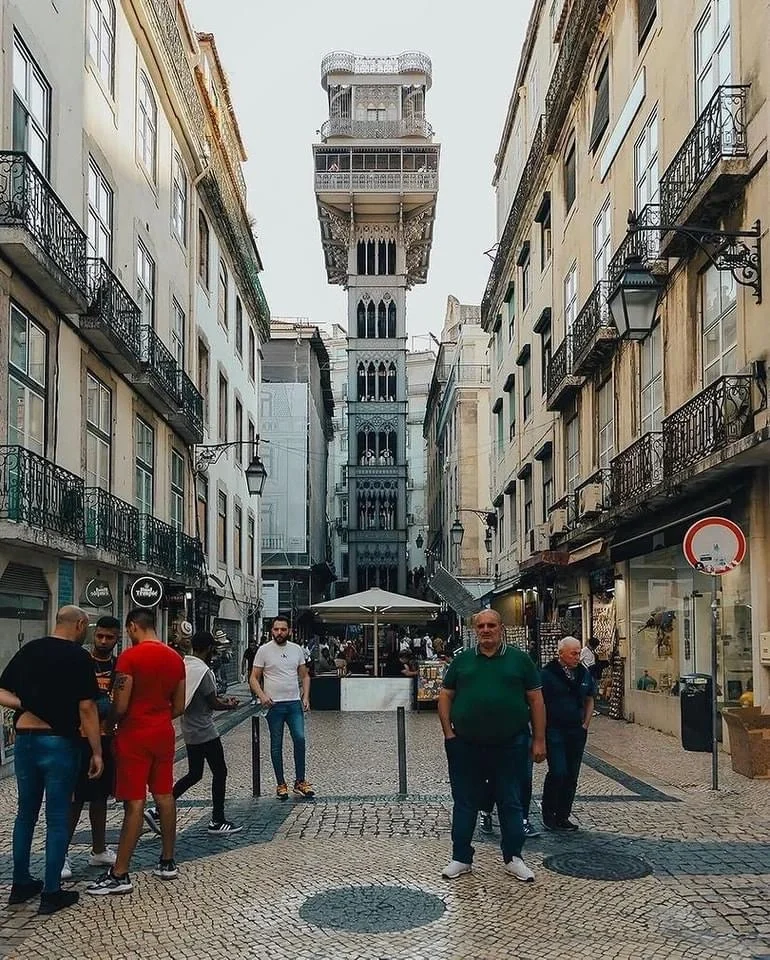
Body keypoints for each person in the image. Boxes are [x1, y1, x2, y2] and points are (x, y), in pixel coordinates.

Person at [0, 606, 102, 915]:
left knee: (25, 815)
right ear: (80, 624)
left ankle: (20, 885)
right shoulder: (79, 658)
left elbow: (2, 691)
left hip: (25, 741)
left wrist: (27, 703)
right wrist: (97, 751)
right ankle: (51, 892)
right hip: (59, 743)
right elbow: (87, 708)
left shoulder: (29, 650)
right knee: (57, 818)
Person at [438, 609, 545, 883]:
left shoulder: (520, 660)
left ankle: (513, 857)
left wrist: (539, 740)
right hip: (466, 745)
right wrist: (449, 733)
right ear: (475, 630)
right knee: (464, 802)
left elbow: (536, 700)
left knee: (510, 801)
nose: (486, 630)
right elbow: (446, 696)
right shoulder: (462, 661)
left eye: (491, 625)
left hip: (510, 745)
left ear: (501, 628)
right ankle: (461, 858)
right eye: (481, 626)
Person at [86, 608, 185, 896]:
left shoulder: (130, 657)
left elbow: (120, 701)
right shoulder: (175, 658)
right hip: (163, 732)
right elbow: (179, 704)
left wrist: (112, 723)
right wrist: (161, 716)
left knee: (135, 802)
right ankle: (167, 861)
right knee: (164, 795)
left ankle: (120, 873)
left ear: (131, 627)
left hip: (134, 734)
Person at [145, 631, 241, 836]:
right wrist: (229, 705)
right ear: (209, 648)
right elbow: (212, 702)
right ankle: (217, 820)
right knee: (220, 772)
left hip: (189, 729)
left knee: (195, 773)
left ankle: (156, 810)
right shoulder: (204, 672)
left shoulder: (185, 665)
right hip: (205, 730)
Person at [63, 616, 122, 881]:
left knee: (100, 797)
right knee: (75, 798)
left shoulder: (118, 666)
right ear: (92, 635)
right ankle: (60, 853)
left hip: (106, 737)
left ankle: (98, 849)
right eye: (99, 636)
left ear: (117, 638)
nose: (103, 641)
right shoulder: (81, 661)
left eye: (109, 637)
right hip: (79, 738)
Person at [249, 616, 314, 800]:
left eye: (283, 629)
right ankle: (281, 783)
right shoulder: (264, 650)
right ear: (272, 631)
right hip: (274, 705)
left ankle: (300, 781)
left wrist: (306, 696)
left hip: (293, 703)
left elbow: (305, 676)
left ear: (289, 631)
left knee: (300, 739)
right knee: (276, 745)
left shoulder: (296, 650)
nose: (279, 633)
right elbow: (253, 677)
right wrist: (262, 695)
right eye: (276, 629)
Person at [540, 637, 596, 831]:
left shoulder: (584, 673)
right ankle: (548, 813)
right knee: (558, 771)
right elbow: (538, 703)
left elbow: (590, 698)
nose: (577, 656)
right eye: (573, 653)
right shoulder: (547, 675)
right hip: (554, 730)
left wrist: (585, 724)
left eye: (579, 652)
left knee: (572, 774)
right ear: (561, 653)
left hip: (576, 731)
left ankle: (563, 815)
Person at [241, 637, 259, 702]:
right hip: (250, 669)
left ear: (255, 644)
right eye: (250, 645)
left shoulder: (259, 650)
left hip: (259, 669)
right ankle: (253, 697)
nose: (252, 647)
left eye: (253, 645)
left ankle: (258, 696)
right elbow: (243, 660)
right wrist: (242, 670)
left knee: (259, 683)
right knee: (251, 684)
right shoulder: (247, 651)